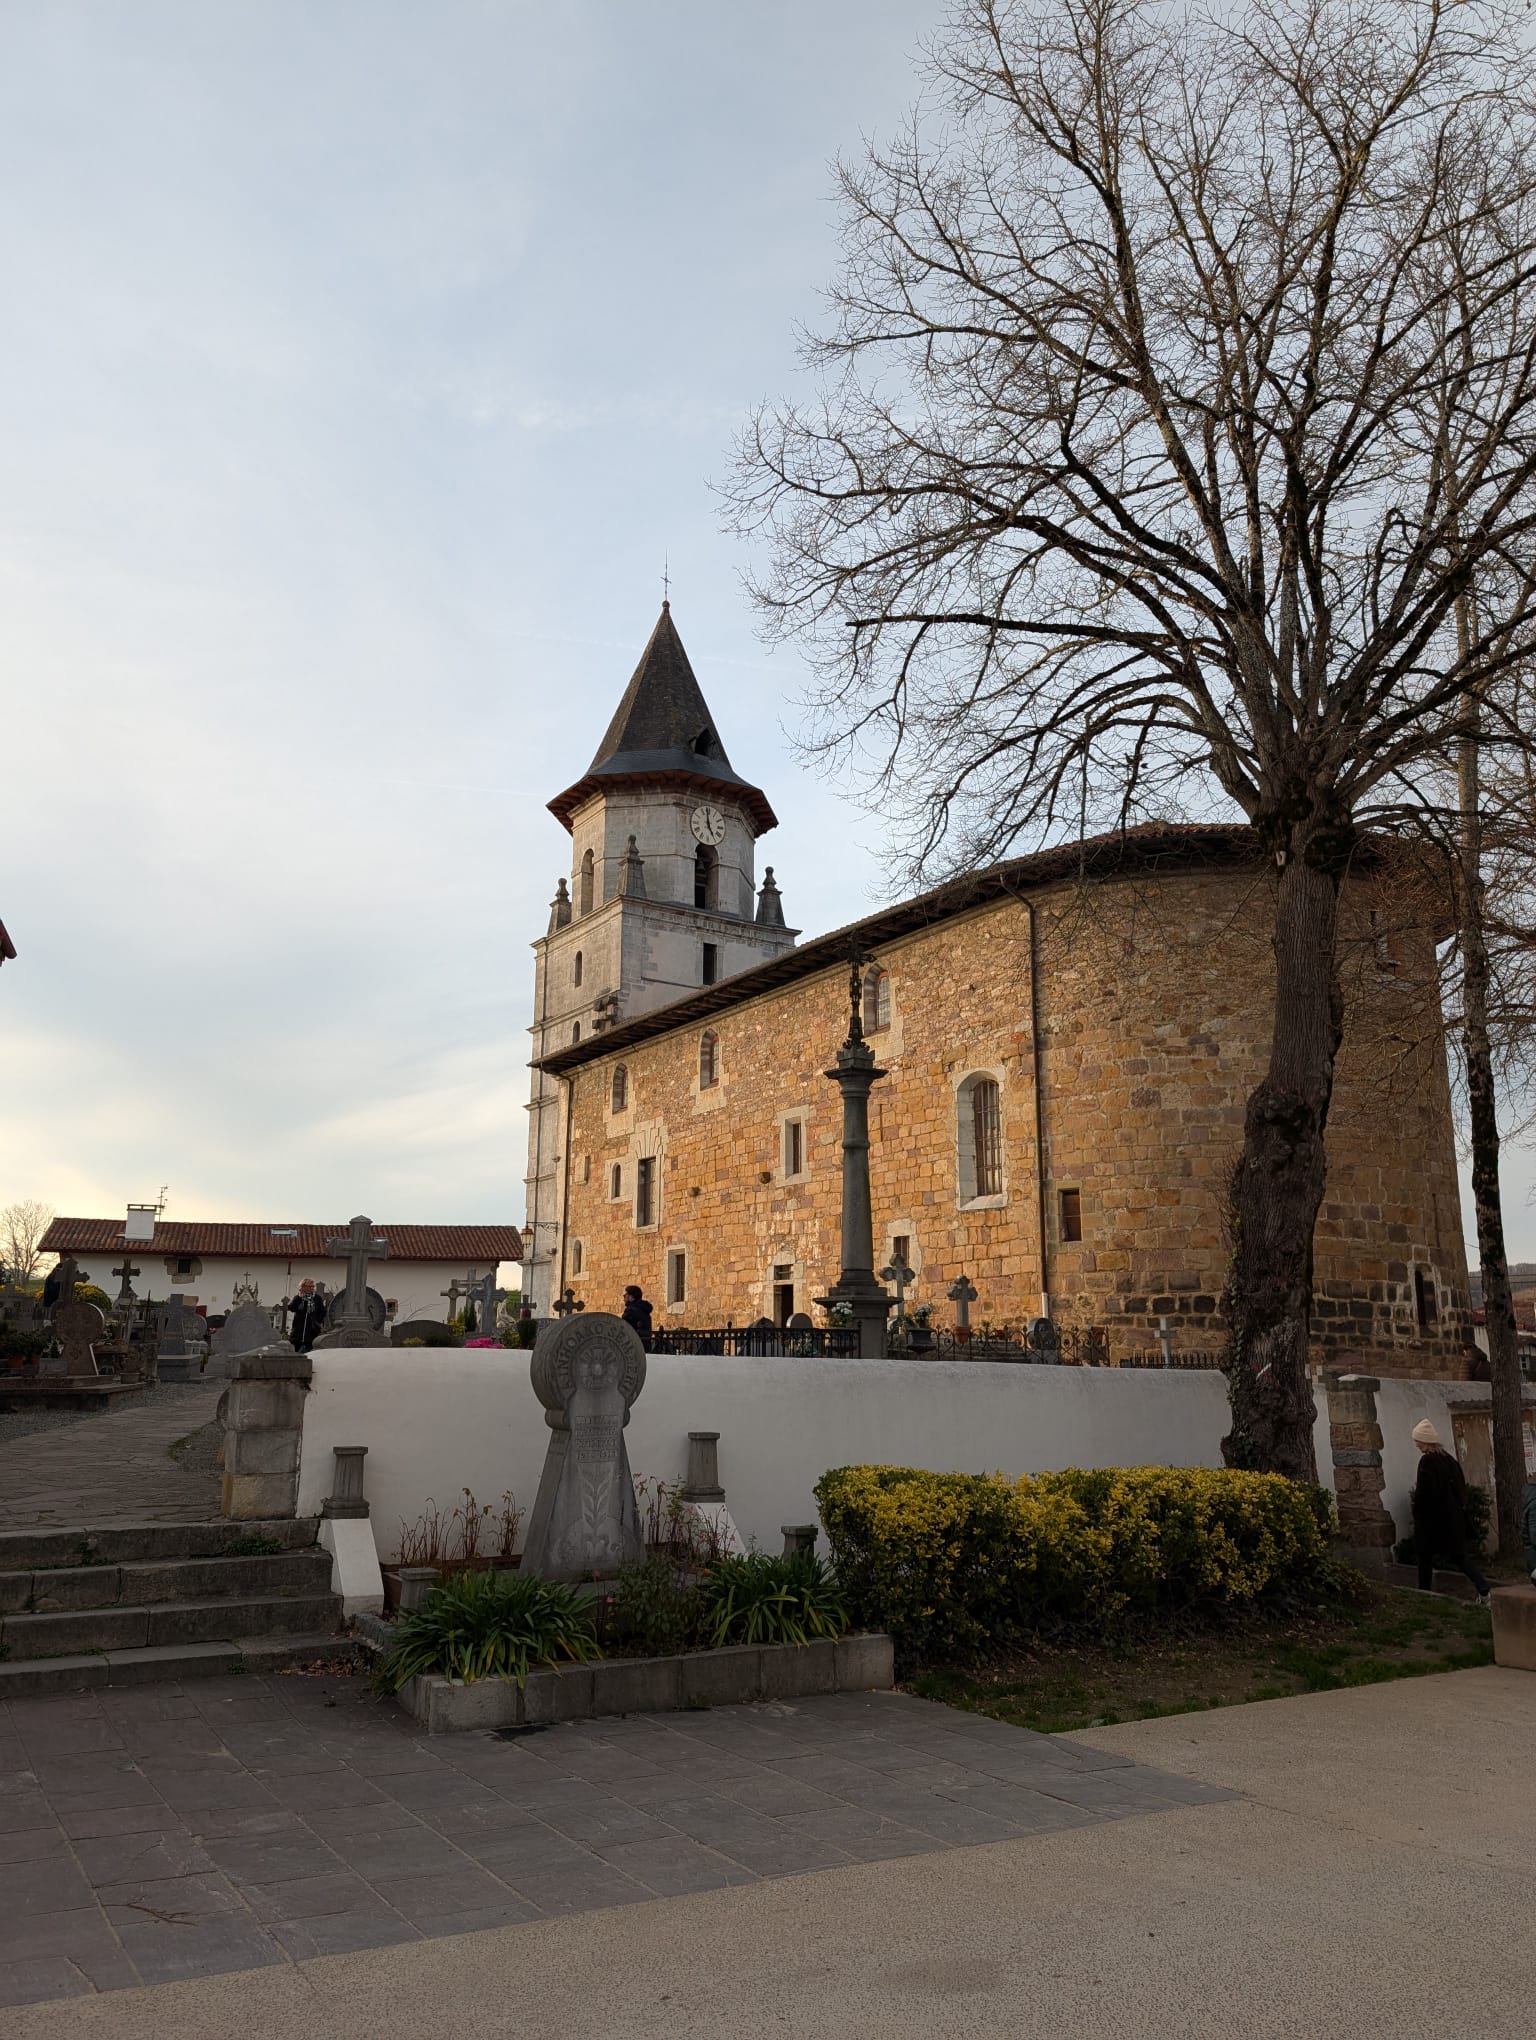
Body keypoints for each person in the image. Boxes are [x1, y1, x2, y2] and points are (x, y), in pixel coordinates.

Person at [1410, 1418, 1490, 1603]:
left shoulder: (1427, 1462)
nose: (1416, 1445)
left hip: (1433, 1520)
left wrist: (1418, 1514)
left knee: (1424, 1556)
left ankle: (1425, 1593)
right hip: (1453, 1518)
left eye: (1418, 1441)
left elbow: (1423, 1494)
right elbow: (1461, 1487)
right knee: (1460, 1557)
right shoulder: (1449, 1460)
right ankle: (1483, 1588)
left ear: (1425, 1441)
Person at [286, 1279, 326, 1354]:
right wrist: (299, 1298)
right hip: (298, 1332)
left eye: (312, 1286)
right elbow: (292, 1308)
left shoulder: (317, 1298)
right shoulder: (298, 1298)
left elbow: (322, 1311)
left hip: (312, 1331)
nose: (312, 1288)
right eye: (309, 1286)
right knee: (293, 1352)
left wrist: (317, 1321)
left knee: (310, 1354)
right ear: (303, 1287)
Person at [621, 1284, 653, 1349]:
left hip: (634, 1345)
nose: (624, 1298)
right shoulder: (644, 1309)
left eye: (625, 1295)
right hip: (646, 1344)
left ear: (631, 1297)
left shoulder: (631, 1310)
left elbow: (622, 1328)